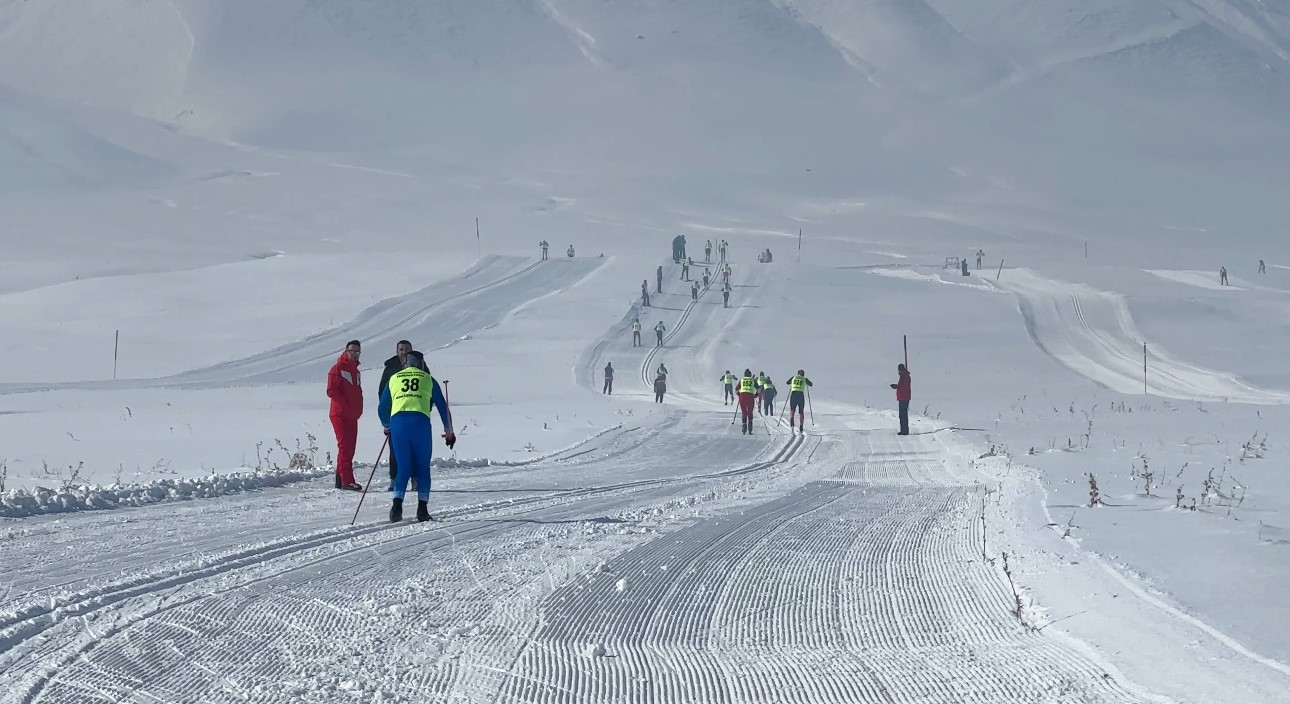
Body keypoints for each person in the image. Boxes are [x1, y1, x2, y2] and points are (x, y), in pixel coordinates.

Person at [378, 351, 455, 522]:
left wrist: (387, 426)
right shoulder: (428, 378)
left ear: (405, 363)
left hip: (399, 423)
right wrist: (449, 431)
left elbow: (382, 408)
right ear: (420, 363)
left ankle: (396, 507)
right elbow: (443, 407)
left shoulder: (394, 378)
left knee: (403, 466)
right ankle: (422, 509)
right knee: (422, 467)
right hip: (420, 423)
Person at [326, 340, 364, 490]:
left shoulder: (355, 371)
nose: (354, 354)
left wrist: (358, 409)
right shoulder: (338, 368)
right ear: (346, 351)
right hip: (340, 414)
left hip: (352, 415)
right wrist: (346, 405)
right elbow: (331, 391)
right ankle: (347, 480)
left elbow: (357, 392)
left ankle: (340, 477)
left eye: (357, 352)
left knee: (349, 447)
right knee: (345, 447)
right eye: (352, 351)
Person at [378, 340, 413, 487]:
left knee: (414, 447)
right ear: (397, 351)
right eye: (401, 349)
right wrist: (386, 415)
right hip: (395, 413)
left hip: (415, 412)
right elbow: (382, 391)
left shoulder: (420, 365)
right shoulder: (390, 368)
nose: (403, 352)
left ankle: (415, 478)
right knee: (395, 448)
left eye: (406, 349)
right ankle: (394, 478)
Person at [786, 370, 813, 434]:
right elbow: (811, 384)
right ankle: (801, 426)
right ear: (803, 374)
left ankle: (792, 422)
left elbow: (787, 382)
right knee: (801, 411)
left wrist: (793, 384)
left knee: (792, 409)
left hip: (793, 394)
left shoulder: (793, 377)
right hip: (800, 395)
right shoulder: (804, 379)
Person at [891, 363, 912, 435]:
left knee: (903, 414)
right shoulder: (904, 376)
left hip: (904, 398)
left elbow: (904, 387)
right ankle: (903, 430)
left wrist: (896, 386)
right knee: (902, 414)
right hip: (903, 397)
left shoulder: (905, 376)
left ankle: (904, 430)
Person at [737, 369, 757, 435]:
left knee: (744, 411)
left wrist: (739, 394)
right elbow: (759, 389)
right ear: (750, 374)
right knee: (750, 411)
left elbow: (736, 389)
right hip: (750, 396)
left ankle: (744, 426)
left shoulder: (742, 380)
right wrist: (756, 395)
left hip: (742, 396)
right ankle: (750, 426)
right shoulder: (752, 380)